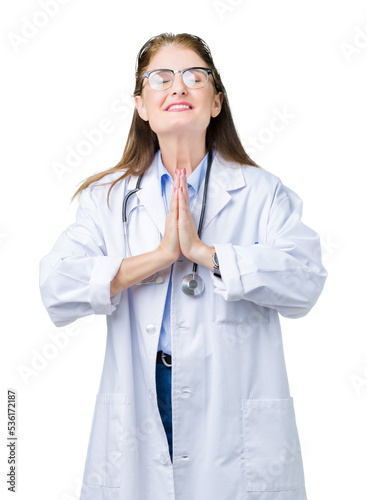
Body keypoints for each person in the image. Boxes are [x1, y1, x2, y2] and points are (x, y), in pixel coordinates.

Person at [39, 32, 327, 500]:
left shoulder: (261, 192)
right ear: (141, 105)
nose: (178, 87)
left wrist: (207, 255)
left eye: (195, 76)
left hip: (232, 409)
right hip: (142, 401)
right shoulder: (107, 199)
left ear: (215, 102)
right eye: (161, 78)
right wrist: (158, 256)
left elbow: (305, 282)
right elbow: (56, 285)